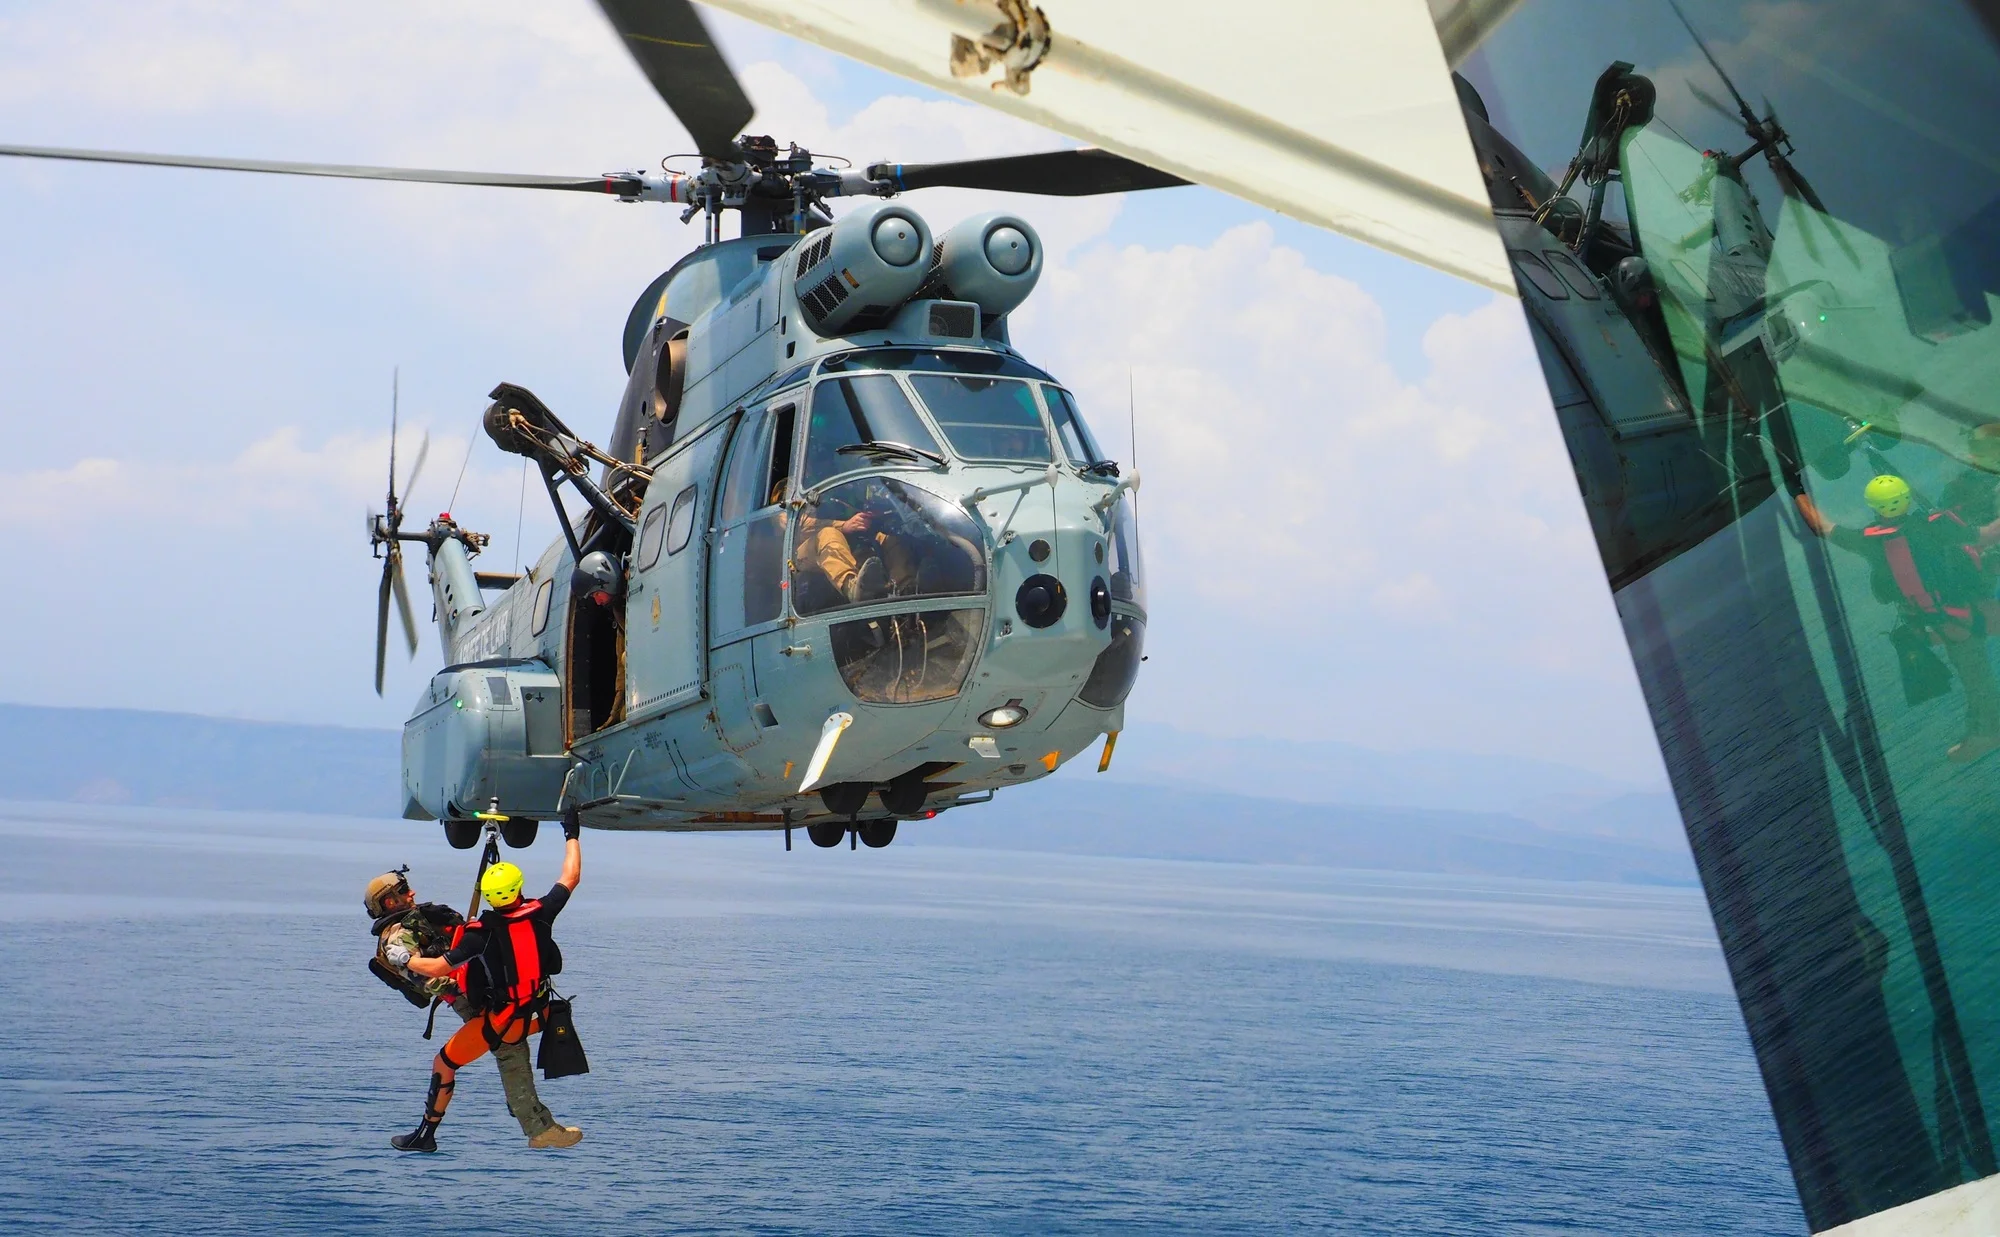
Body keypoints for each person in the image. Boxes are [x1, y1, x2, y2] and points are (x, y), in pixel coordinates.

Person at [388, 811, 584, 1153]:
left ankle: (425, 1136)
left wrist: (404, 958)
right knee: (513, 1064)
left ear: (490, 897)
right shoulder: (542, 912)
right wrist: (572, 834)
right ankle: (533, 1121)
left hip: (502, 1021)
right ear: (518, 887)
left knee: (444, 1063)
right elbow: (572, 875)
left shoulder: (479, 935)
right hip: (536, 1013)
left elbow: (437, 967)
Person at [1804, 473, 2000, 761]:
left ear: (1873, 506)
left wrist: (1796, 491)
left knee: (1976, 678)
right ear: (1907, 499)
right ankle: (1985, 732)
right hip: (1968, 609)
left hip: (1946, 623)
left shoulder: (1868, 542)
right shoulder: (1935, 525)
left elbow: (1821, 526)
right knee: (1976, 677)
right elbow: (1989, 534)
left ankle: (1986, 732)